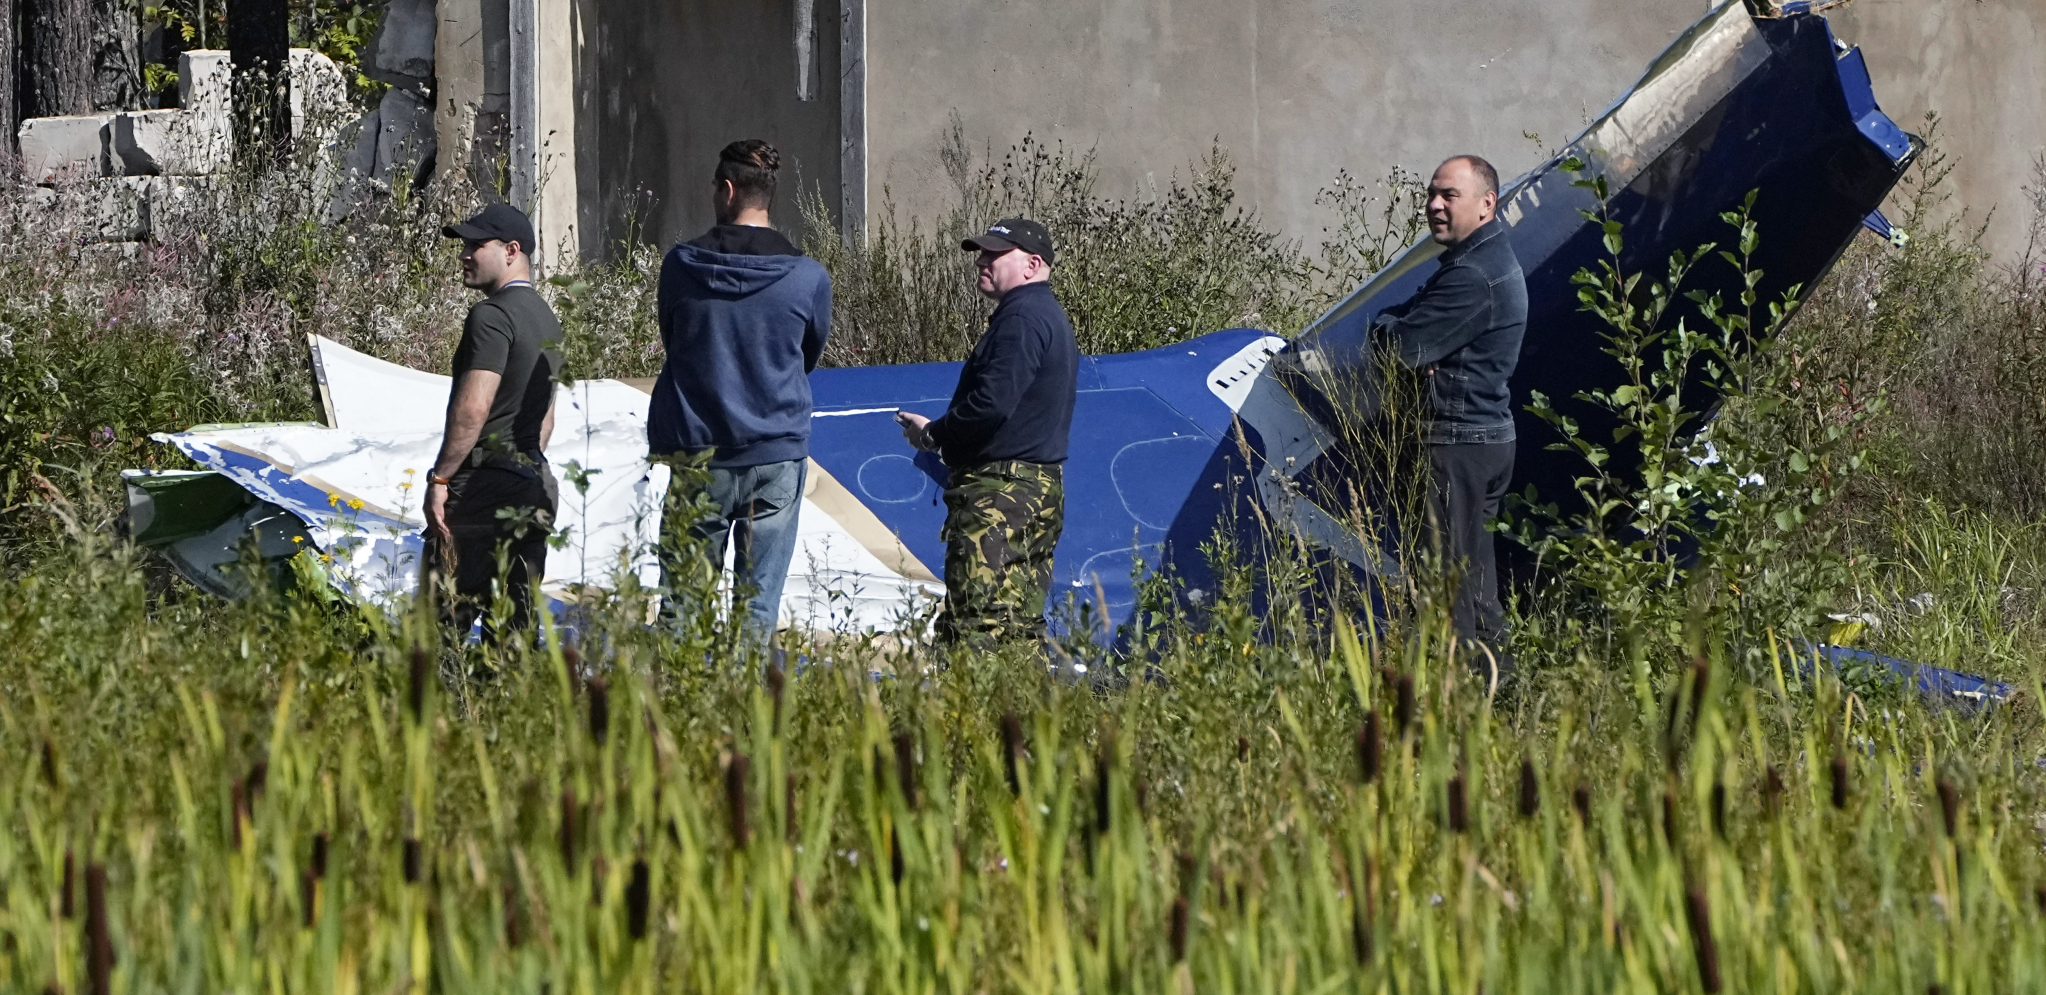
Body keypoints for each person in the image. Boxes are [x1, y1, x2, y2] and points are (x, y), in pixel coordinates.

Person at [647, 139, 832, 636]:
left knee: (682, 609)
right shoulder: (808, 277)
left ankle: (671, 709)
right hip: (775, 451)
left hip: (699, 451)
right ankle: (746, 711)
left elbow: (675, 341)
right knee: (756, 611)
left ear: (726, 190)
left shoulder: (681, 267)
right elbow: (804, 356)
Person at [1371, 154, 1526, 681]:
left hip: (1458, 443)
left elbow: (1401, 348)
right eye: (1431, 194)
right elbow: (1411, 336)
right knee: (1475, 585)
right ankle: (1498, 695)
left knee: (1446, 585)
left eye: (1449, 196)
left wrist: (1388, 330)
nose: (1434, 206)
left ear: (1487, 204)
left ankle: (1457, 700)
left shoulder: (1472, 277)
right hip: (1482, 439)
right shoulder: (1475, 263)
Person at [896, 218, 1078, 647]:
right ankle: (1028, 713)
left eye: (996, 253)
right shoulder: (1045, 316)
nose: (982, 260)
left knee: (978, 625)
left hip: (1001, 495)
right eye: (982, 252)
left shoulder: (1022, 318)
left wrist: (935, 434)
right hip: (1035, 490)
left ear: (1033, 264)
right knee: (1017, 627)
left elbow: (991, 404)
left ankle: (977, 714)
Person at [425, 202, 563, 642]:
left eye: (476, 244)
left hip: (483, 488)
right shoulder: (548, 319)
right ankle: (508, 708)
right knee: (513, 633)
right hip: (533, 484)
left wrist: (442, 478)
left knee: (442, 625)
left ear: (511, 250)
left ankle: (433, 711)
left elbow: (473, 408)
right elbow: (545, 422)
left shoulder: (491, 316)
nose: (464, 253)